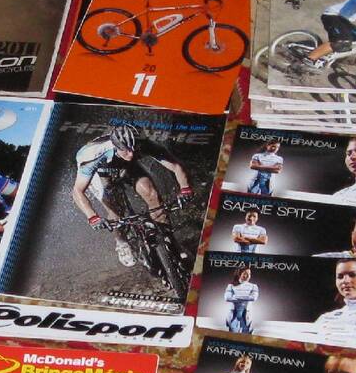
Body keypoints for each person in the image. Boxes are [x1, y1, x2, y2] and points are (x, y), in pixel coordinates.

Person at [71, 123, 193, 270]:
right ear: (116, 146)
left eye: (134, 149)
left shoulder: (142, 144)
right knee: (115, 210)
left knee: (151, 193)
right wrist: (92, 217)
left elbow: (176, 166)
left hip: (125, 166)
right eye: (126, 150)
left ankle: (170, 240)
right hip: (100, 172)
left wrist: (185, 189)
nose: (131, 154)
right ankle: (121, 242)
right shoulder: (94, 156)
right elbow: (77, 191)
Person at [223, 267, 258, 334]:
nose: (248, 276)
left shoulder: (254, 286)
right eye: (245, 273)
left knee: (246, 333)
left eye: (249, 274)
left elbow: (253, 298)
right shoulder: (231, 285)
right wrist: (246, 297)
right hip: (233, 313)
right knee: (232, 334)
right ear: (239, 274)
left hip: (246, 312)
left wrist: (235, 297)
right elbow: (227, 298)